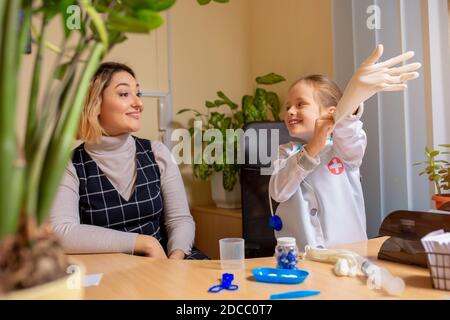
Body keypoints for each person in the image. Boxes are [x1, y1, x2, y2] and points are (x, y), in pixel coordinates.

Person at [50, 62, 207, 260]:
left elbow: (180, 220)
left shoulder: (157, 152)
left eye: (138, 94)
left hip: (167, 261)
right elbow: (61, 232)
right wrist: (144, 243)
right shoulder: (69, 164)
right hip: (112, 274)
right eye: (124, 94)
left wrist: (174, 259)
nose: (139, 104)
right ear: (95, 103)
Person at [269, 45, 421, 249]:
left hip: (350, 254)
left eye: (300, 104)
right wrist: (312, 148)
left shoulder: (342, 149)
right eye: (287, 107)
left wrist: (349, 105)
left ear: (330, 111)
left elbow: (348, 132)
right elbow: (278, 191)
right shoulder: (285, 152)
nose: (290, 112)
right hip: (303, 259)